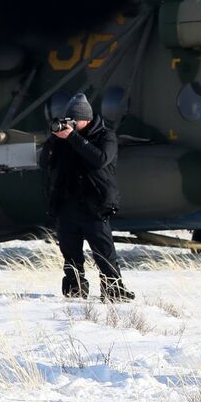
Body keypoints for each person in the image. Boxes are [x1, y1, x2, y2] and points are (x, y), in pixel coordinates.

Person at [38, 92, 135, 302]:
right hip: (67, 205)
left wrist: (73, 137)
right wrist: (52, 140)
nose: (70, 123)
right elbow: (43, 163)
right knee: (70, 253)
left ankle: (114, 290)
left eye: (74, 120)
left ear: (86, 119)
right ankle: (75, 290)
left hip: (95, 206)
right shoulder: (64, 139)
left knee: (104, 253)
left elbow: (99, 160)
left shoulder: (106, 136)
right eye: (68, 119)